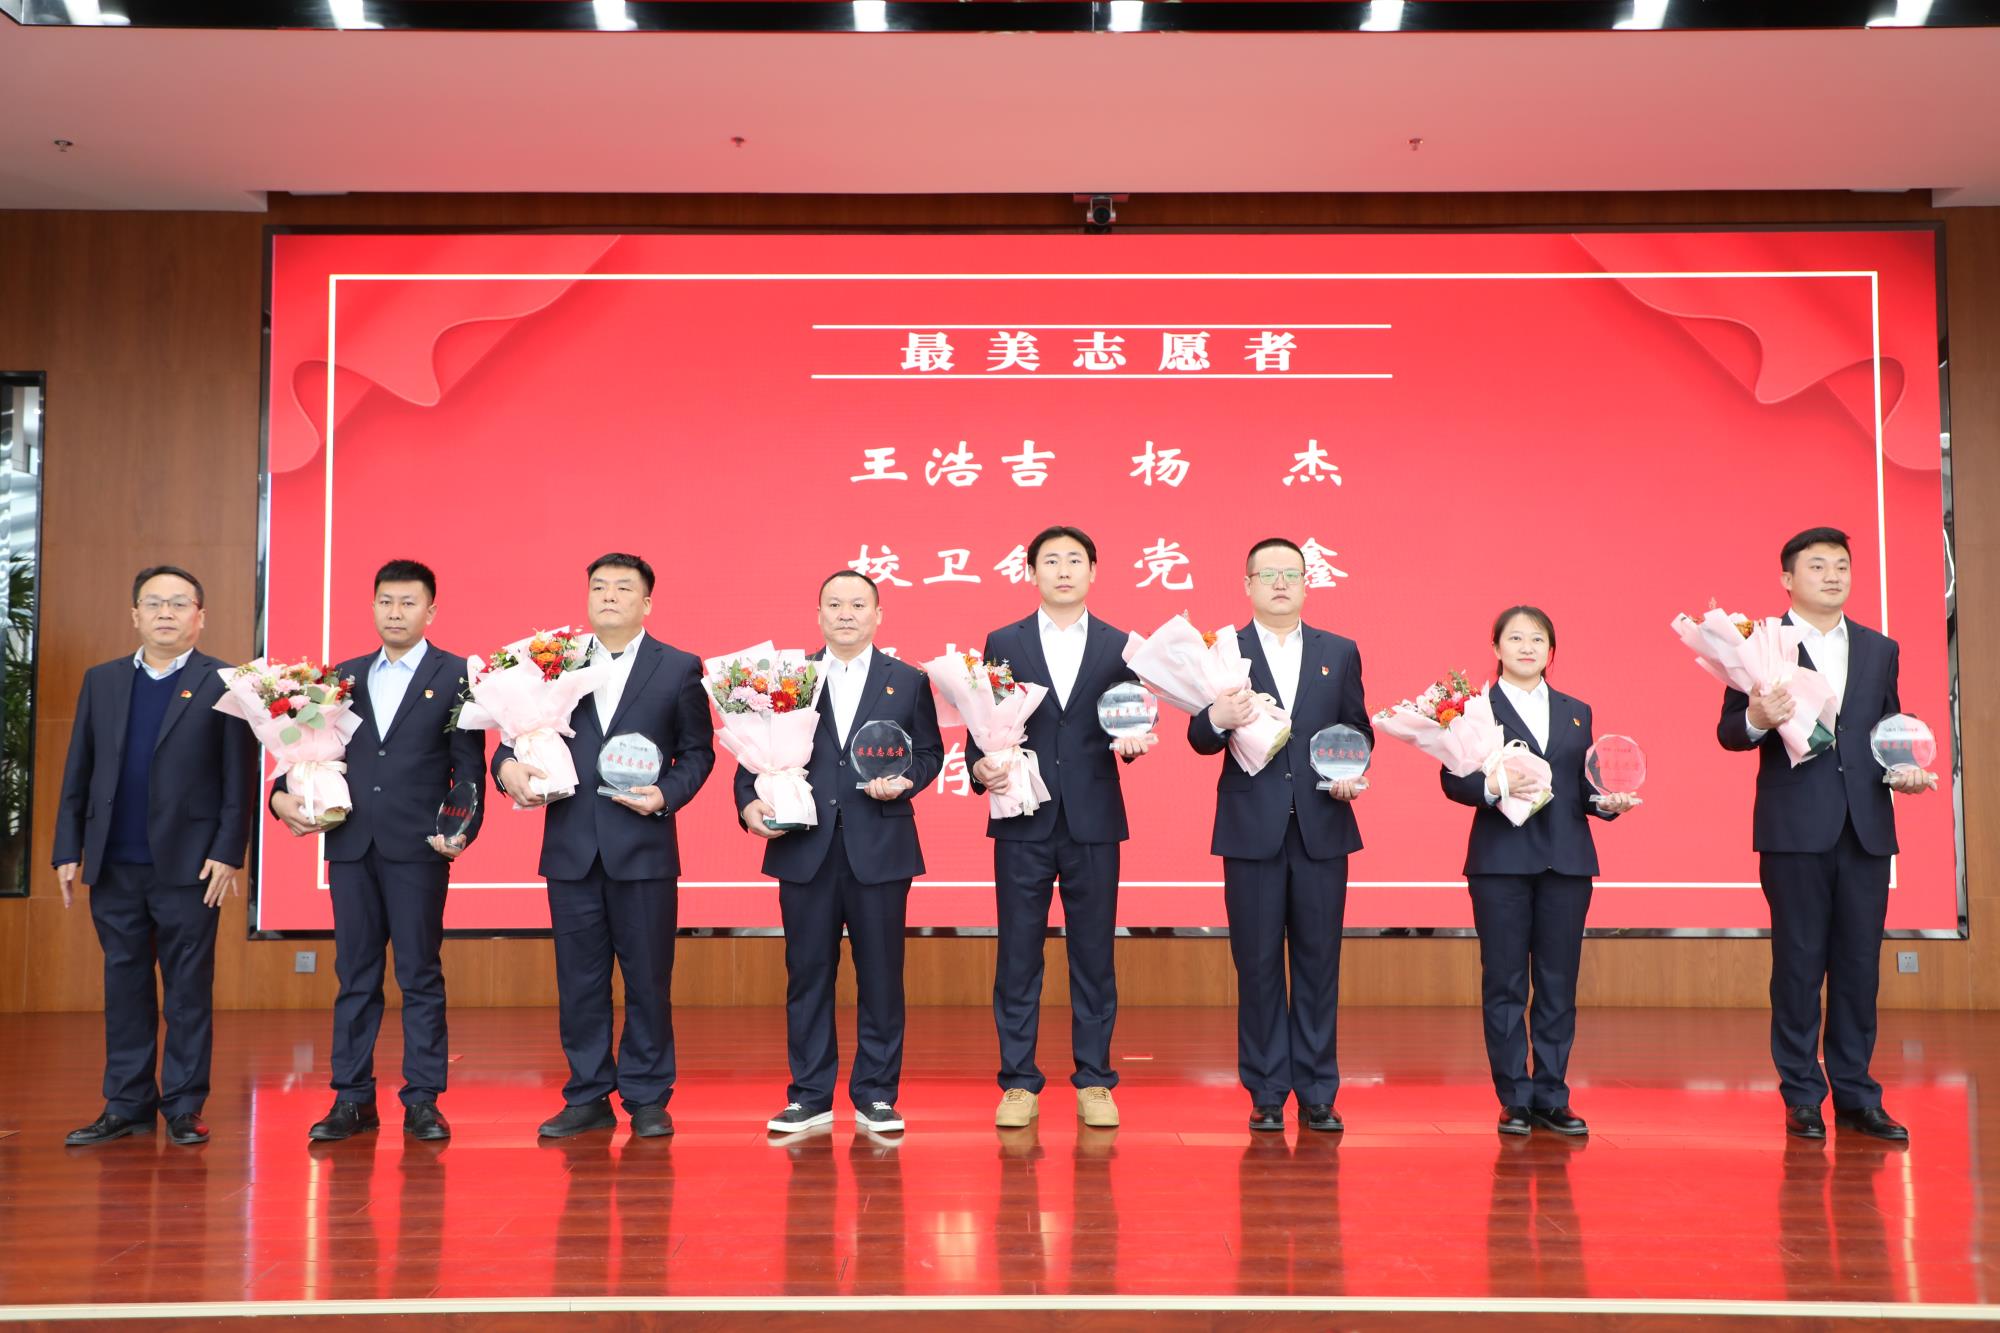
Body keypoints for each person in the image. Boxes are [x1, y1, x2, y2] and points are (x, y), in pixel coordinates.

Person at [1720, 527, 1936, 1143]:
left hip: (1865, 828)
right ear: (1787, 579)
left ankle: (1858, 1096)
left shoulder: (1878, 647)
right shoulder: (1760, 645)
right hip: (1794, 830)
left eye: (1841, 565)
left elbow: (1889, 727)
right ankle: (1801, 1095)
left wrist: (1906, 769)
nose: (1833, 575)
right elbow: (1730, 733)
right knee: (1798, 965)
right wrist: (1757, 717)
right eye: (1817, 566)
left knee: (1859, 967)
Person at [494, 553, 715, 1139]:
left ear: (647, 602)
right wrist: (505, 767)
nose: (609, 596)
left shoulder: (679, 667)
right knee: (579, 982)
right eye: (599, 587)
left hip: (643, 847)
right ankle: (587, 1094)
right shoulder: (551, 663)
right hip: (572, 847)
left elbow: (698, 753)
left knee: (648, 980)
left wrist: (665, 795)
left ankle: (647, 1096)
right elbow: (515, 736)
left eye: (623, 588)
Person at [270, 559, 487, 1143]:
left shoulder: (457, 675)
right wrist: (278, 795)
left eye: (408, 602)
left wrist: (461, 830)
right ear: (372, 607)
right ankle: (352, 1099)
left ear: (431, 611)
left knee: (419, 974)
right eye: (386, 601)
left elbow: (468, 769)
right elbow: (305, 750)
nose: (395, 612)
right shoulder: (341, 677)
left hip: (419, 846)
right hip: (351, 843)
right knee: (355, 975)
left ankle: (423, 1100)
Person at [52, 566, 255, 1147]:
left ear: (200, 616)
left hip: (191, 866)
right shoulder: (103, 680)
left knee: (187, 989)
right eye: (154, 603)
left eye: (179, 603)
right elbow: (79, 768)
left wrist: (228, 852)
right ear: (135, 615)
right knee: (124, 986)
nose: (166, 613)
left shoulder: (227, 682)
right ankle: (127, 1104)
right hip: (114, 862)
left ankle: (184, 1106)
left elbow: (238, 778)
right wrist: (68, 848)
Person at [738, 571, 943, 1136]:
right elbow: (753, 754)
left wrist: (906, 779)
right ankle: (809, 1096)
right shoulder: (788, 678)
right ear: (819, 614)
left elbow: (929, 752)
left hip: (880, 846)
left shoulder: (908, 680)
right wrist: (748, 804)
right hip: (805, 844)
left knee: (881, 977)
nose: (845, 613)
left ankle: (876, 1094)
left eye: (857, 604)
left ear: (878, 615)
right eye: (834, 604)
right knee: (807, 975)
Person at [966, 526, 1157, 1130]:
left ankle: (1095, 1079)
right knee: (1018, 953)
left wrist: (1133, 744)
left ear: (1094, 571)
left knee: (1094, 953)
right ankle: (1018, 1082)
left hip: (1094, 817)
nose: (1064, 570)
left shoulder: (1121, 645)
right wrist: (979, 768)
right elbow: (983, 721)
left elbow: (1131, 717)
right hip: (1023, 813)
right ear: (1031, 573)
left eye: (1075, 560)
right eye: (1051, 560)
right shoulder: (1004, 641)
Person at [1189, 537, 1370, 1133]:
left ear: (1307, 582)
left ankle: (1317, 1090)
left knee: (1319, 964)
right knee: (1258, 962)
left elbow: (1356, 731)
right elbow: (1199, 737)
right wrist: (1217, 719)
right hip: (1251, 830)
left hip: (1322, 825)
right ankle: (1266, 1090)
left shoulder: (1338, 651)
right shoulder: (1223, 652)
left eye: (1291, 573)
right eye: (1267, 574)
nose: (1280, 583)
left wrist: (1353, 772)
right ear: (1247, 585)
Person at [1440, 606, 1635, 1138]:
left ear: (1551, 651)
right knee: (1504, 981)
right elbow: (1453, 781)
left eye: (1538, 640)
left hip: (1566, 862)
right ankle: (1514, 1097)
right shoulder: (1475, 710)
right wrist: (1492, 787)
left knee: (1557, 981)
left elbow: (1583, 788)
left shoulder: (1576, 711)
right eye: (1515, 638)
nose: (1527, 647)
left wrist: (1608, 803)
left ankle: (1552, 1094)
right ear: (1496, 647)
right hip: (1500, 862)